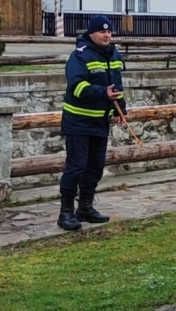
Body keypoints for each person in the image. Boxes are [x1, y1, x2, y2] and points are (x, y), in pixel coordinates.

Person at [57, 15, 127, 231]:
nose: (107, 35)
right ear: (91, 33)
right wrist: (102, 93)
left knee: (95, 167)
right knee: (76, 167)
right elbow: (77, 87)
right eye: (102, 32)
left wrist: (120, 107)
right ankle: (66, 212)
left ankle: (85, 207)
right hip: (78, 120)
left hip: (99, 121)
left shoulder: (113, 54)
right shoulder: (79, 56)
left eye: (109, 32)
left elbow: (116, 84)